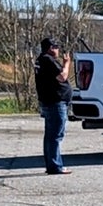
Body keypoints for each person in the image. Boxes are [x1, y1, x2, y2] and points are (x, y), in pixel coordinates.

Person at [33, 37, 72, 174]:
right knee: (56, 135)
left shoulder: (40, 60)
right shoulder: (48, 60)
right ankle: (56, 166)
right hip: (55, 102)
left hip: (49, 101)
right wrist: (67, 63)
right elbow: (62, 76)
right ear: (50, 48)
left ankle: (52, 165)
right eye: (56, 47)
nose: (58, 50)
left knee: (50, 135)